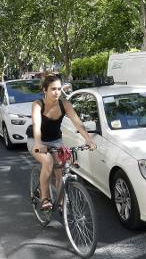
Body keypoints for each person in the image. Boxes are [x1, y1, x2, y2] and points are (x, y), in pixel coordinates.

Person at [28, 74, 96, 210]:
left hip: (56, 140)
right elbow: (36, 125)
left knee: (62, 168)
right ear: (45, 90)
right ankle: (44, 198)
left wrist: (88, 140)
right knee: (48, 161)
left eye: (59, 89)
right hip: (36, 140)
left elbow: (78, 123)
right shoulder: (38, 105)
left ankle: (60, 203)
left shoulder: (65, 104)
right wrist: (39, 143)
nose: (57, 92)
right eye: (53, 89)